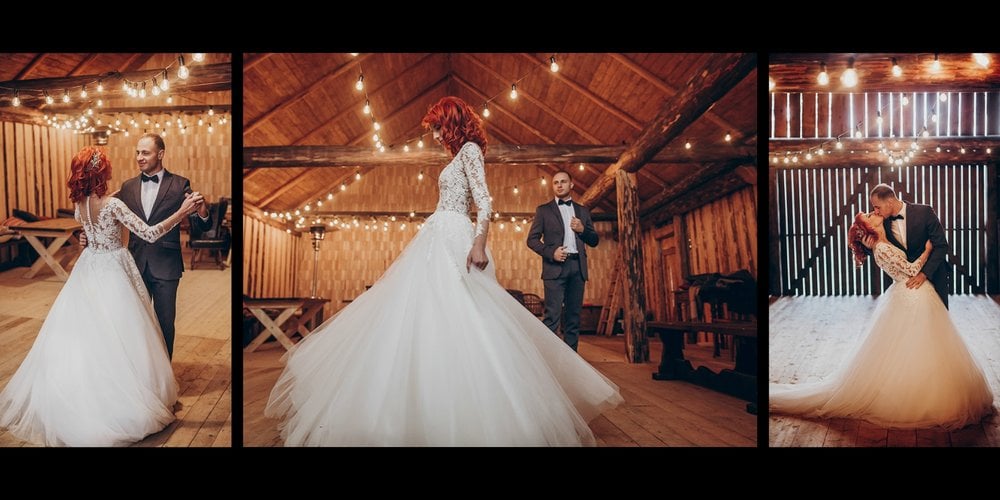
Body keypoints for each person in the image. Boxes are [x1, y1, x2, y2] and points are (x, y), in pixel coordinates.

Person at [265, 96, 623, 446]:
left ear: (452, 123)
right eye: (433, 130)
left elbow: (484, 202)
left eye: (438, 128)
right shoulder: (457, 156)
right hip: (437, 236)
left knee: (464, 312)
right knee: (422, 312)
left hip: (457, 237)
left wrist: (479, 243)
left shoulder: (469, 151)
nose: (435, 136)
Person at [0, 147, 201, 446]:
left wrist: (88, 235)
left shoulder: (80, 204)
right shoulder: (112, 205)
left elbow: (88, 231)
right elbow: (149, 233)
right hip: (113, 268)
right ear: (101, 172)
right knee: (122, 333)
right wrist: (182, 212)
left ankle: (83, 390)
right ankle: (120, 397)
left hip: (89, 266)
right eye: (106, 167)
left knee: (89, 334)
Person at [769, 211, 994, 430]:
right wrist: (927, 251)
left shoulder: (883, 241)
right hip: (911, 294)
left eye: (871, 211)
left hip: (912, 294)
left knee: (923, 345)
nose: (872, 213)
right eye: (868, 216)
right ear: (869, 227)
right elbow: (910, 270)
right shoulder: (882, 248)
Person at [79, 133, 211, 359]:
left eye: (145, 153)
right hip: (133, 264)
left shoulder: (180, 184)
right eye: (138, 153)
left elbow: (202, 227)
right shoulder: (127, 187)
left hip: (166, 265)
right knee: (134, 323)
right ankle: (140, 369)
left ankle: (164, 371)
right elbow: (105, 215)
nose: (139, 157)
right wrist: (89, 235)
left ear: (160, 154)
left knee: (165, 322)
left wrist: (202, 211)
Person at [526, 171, 599, 351]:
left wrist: (582, 230)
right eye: (556, 182)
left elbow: (594, 240)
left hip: (578, 268)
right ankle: (549, 361)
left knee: (573, 318)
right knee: (552, 317)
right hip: (554, 267)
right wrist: (551, 252)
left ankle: (570, 361)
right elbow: (532, 240)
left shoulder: (582, 211)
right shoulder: (543, 210)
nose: (559, 185)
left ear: (571, 185)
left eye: (563, 182)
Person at [866, 183, 950, 308]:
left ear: (889, 202)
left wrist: (924, 274)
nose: (876, 211)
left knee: (937, 316)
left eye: (877, 207)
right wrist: (867, 246)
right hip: (907, 286)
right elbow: (881, 249)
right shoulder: (881, 222)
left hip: (934, 275)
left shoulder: (924, 212)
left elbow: (941, 246)